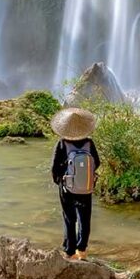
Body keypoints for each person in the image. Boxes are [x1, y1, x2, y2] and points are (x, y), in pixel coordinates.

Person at [50, 107, 101, 261]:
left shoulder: (62, 144)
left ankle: (70, 251)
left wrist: (60, 181)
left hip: (68, 188)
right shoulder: (89, 143)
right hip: (86, 187)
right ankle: (82, 250)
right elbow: (96, 163)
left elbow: (54, 168)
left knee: (69, 218)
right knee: (85, 219)